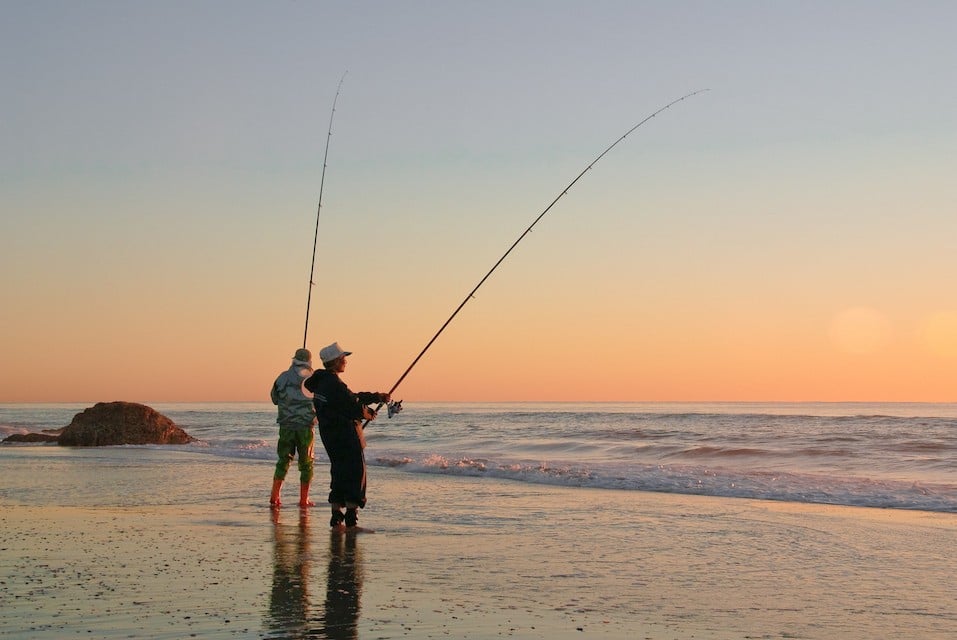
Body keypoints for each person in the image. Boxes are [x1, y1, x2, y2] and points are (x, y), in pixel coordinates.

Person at [304, 342, 389, 531]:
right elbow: (353, 406)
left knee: (339, 473)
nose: (346, 361)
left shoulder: (322, 383)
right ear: (335, 361)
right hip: (346, 436)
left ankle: (336, 518)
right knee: (355, 474)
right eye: (343, 358)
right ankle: (351, 521)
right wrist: (368, 413)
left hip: (330, 436)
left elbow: (350, 397)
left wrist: (376, 397)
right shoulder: (334, 384)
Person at [269, 348, 318, 509]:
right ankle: (304, 499)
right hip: (305, 427)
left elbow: (274, 399)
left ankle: (275, 495)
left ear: (294, 360)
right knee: (306, 464)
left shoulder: (282, 377)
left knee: (283, 460)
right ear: (309, 362)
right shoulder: (312, 379)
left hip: (286, 426)